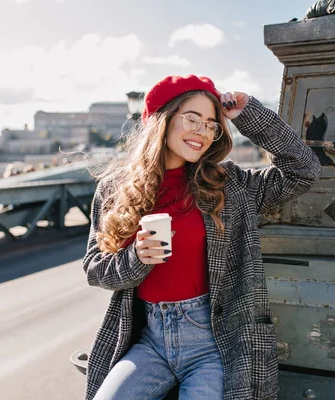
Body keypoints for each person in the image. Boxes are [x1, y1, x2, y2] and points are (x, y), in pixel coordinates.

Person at [82, 74, 322, 400]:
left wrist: (250, 114)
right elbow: (95, 268)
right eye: (192, 119)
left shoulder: (229, 186)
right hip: (150, 339)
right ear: (161, 120)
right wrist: (135, 259)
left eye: (211, 125)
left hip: (214, 342)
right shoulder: (114, 189)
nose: (202, 132)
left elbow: (303, 169)